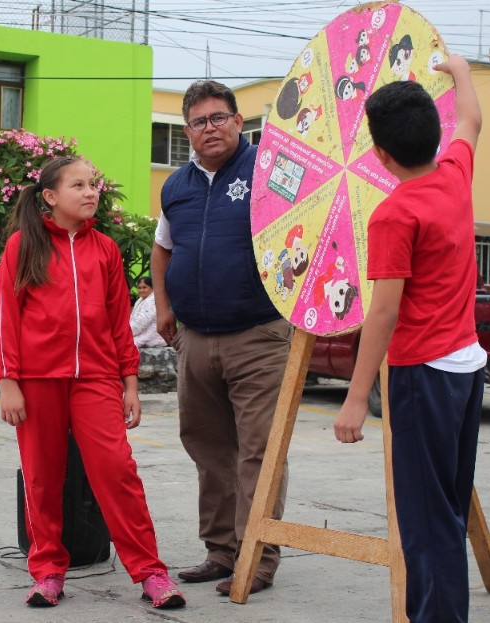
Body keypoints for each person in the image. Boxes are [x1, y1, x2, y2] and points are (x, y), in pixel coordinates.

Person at [0, 157, 185, 610]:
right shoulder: (24, 246)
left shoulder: (105, 250)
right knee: (42, 479)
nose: (90, 192)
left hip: (97, 377)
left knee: (117, 471)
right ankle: (47, 572)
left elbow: (121, 324)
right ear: (51, 196)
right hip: (38, 380)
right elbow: (6, 316)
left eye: (93, 184)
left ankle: (151, 572)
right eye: (77, 185)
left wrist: (130, 383)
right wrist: (8, 381)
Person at [333, 55, 485, 622]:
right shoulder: (455, 174)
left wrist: (354, 398)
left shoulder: (395, 215)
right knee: (444, 511)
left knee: (426, 523)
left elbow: (384, 313)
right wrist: (462, 72)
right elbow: (471, 120)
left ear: (380, 155)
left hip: (423, 377)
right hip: (467, 370)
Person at [151, 80, 293, 596]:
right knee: (209, 449)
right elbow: (162, 249)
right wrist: (164, 307)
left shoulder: (271, 172)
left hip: (259, 334)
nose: (209, 128)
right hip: (196, 338)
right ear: (187, 130)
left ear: (239, 121)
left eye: (218, 118)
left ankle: (257, 557)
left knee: (259, 452)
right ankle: (221, 551)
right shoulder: (176, 187)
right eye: (198, 121)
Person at [129, 277, 167, 348]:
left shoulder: (152, 301)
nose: (141, 290)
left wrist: (127, 333)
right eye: (139, 288)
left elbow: (141, 323)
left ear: (152, 288)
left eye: (144, 287)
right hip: (140, 333)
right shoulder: (140, 300)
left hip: (152, 337)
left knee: (125, 345)